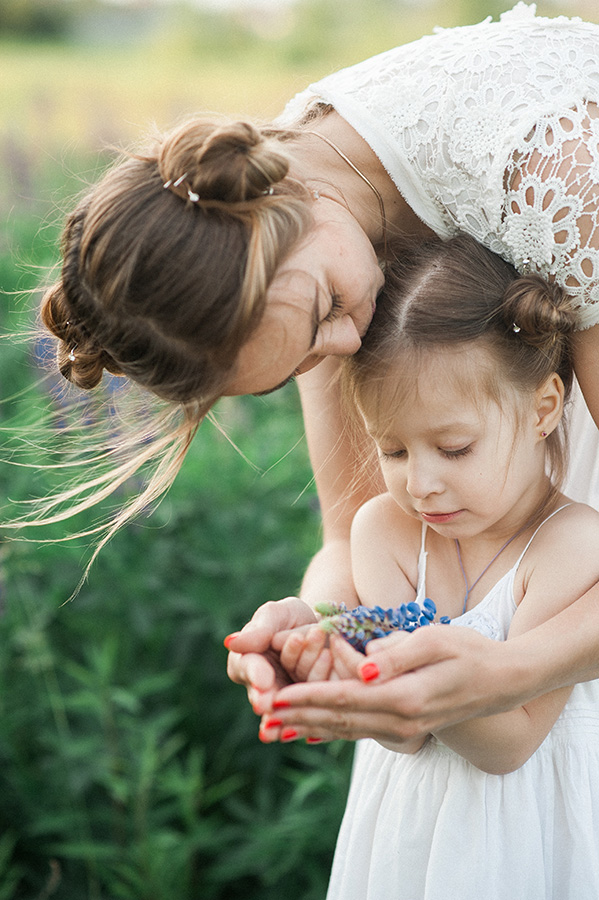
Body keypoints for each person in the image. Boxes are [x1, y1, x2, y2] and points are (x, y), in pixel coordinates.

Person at [38, 4, 599, 735]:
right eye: (294, 364)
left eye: (324, 309)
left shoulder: (556, 178)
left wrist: (506, 674)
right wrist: (318, 626)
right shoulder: (302, 232)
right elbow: (352, 533)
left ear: (283, 202)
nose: (343, 345)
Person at [259, 235, 599, 899]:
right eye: (391, 451)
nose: (421, 485)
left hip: (529, 832)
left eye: (453, 448)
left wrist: (398, 678)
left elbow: (510, 744)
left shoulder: (572, 545)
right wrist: (319, 638)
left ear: (543, 408)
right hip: (409, 829)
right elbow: (405, 743)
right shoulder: (385, 531)